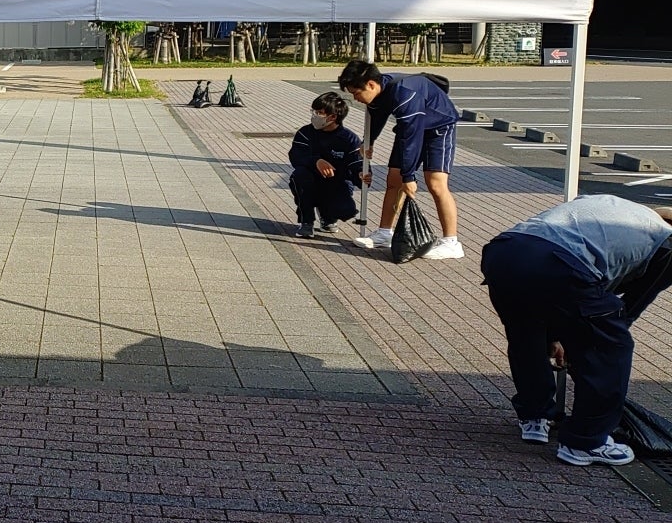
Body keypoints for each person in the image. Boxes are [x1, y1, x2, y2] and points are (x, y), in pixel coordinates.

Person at [481, 196, 672, 466]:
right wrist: (581, 342)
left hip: (504, 251)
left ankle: (535, 416)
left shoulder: (615, 206)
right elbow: (628, 307)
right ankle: (585, 441)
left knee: (527, 331)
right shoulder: (666, 242)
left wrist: (560, 335)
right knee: (611, 346)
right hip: (559, 263)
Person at [337, 59, 462, 259]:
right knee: (394, 179)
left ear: (371, 84)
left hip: (439, 128)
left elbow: (411, 137)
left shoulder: (405, 94)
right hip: (410, 129)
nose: (355, 98)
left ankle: (451, 243)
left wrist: (409, 177)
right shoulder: (379, 91)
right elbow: (378, 115)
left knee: (435, 183)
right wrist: (369, 141)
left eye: (356, 93)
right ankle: (384, 233)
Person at [288, 91, 363, 238]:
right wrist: (316, 161)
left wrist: (362, 175)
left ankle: (328, 217)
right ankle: (306, 221)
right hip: (310, 179)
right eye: (314, 111)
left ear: (333, 117)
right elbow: (296, 156)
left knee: (345, 209)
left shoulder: (349, 139)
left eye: (319, 113)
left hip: (336, 182)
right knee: (299, 177)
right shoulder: (305, 133)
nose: (314, 115)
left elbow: (357, 163)